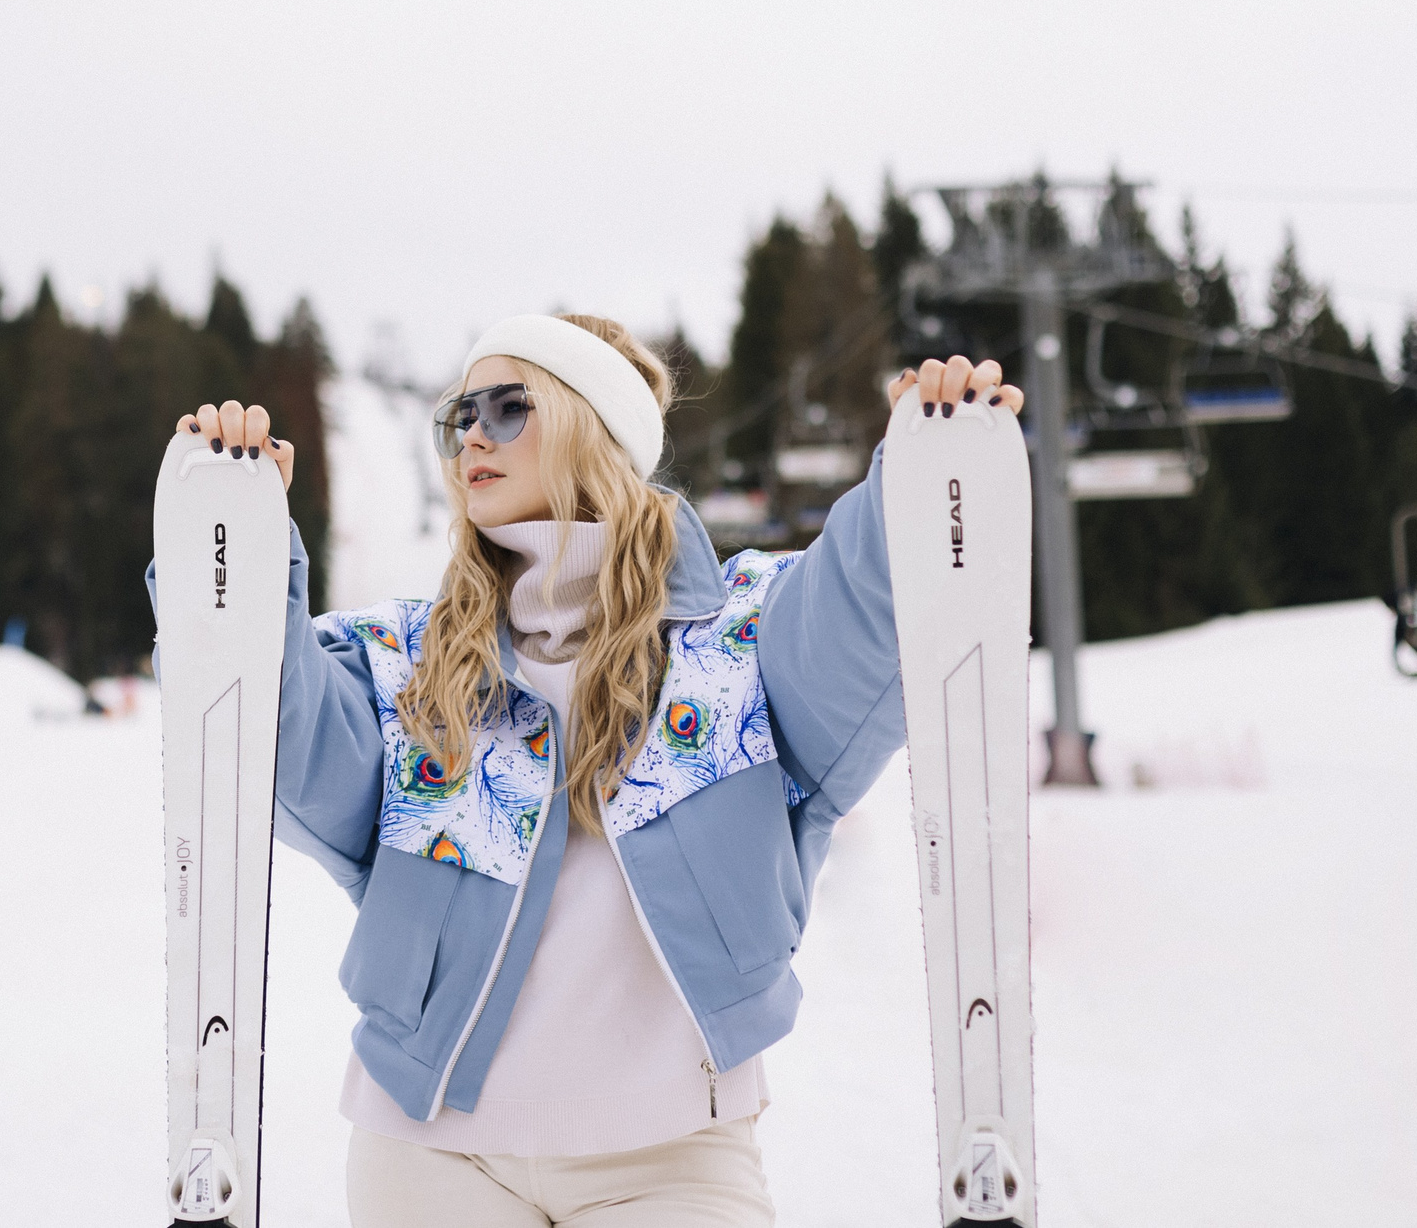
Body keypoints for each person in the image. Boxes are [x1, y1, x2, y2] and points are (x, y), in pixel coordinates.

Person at [163, 313, 1022, 1227]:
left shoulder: (732, 641)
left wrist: (922, 486)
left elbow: (855, 625)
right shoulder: (410, 662)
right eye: (461, 417)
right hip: (431, 1154)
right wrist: (232, 551)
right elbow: (281, 748)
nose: (475, 438)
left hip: (672, 1160)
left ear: (591, 426)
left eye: (508, 406)